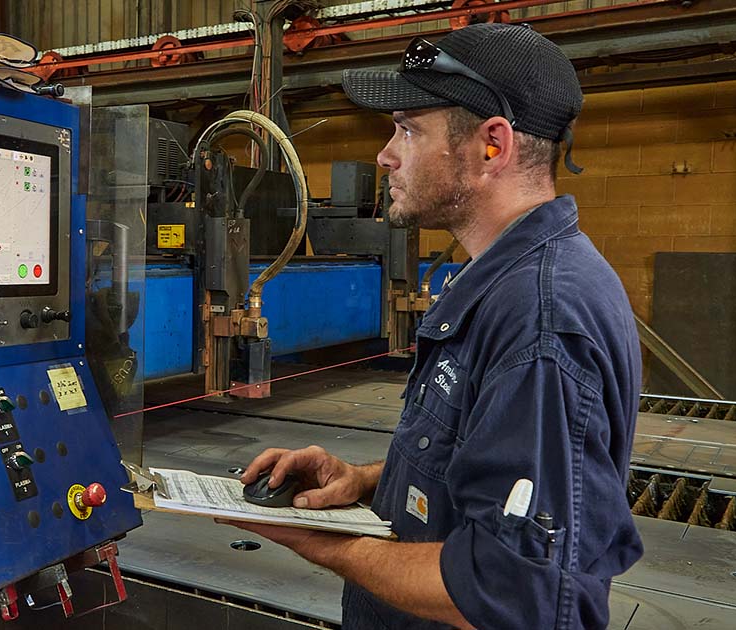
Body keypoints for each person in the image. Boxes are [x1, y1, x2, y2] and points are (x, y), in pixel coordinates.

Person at [228, 23, 644, 629]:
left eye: (408, 129)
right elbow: (479, 474)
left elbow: (513, 592)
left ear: (492, 147)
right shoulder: (502, 283)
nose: (385, 154)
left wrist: (319, 540)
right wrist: (367, 483)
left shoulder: (538, 320)